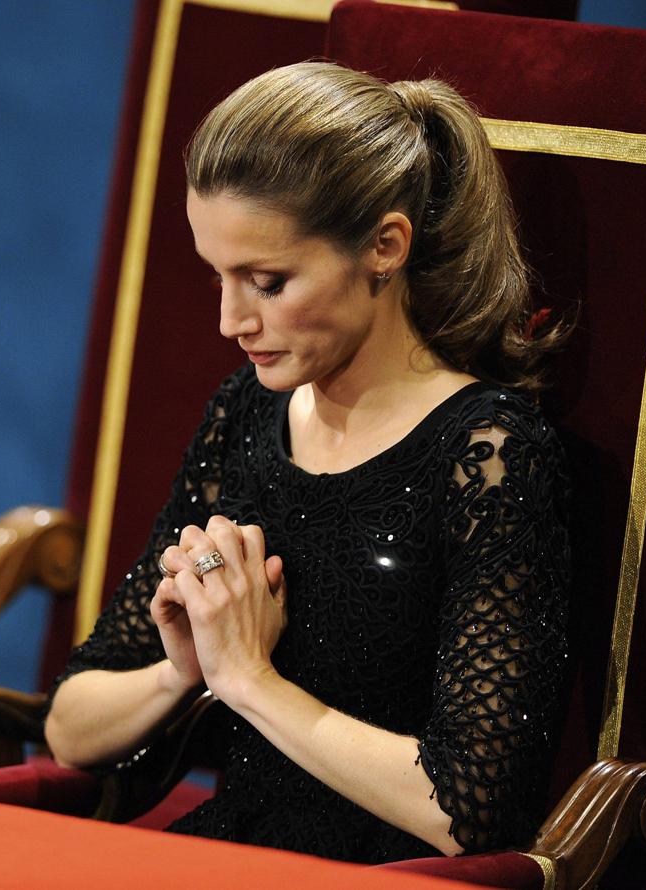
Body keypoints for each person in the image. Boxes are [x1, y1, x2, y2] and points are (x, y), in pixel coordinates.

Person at [45, 61, 570, 864]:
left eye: (266, 281)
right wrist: (180, 671)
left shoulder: (488, 453)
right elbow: (69, 725)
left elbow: (467, 811)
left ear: (384, 247)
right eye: (217, 276)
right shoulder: (245, 413)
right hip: (231, 853)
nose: (229, 319)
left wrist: (250, 681)